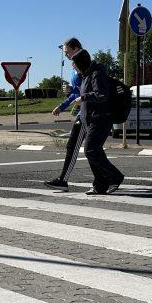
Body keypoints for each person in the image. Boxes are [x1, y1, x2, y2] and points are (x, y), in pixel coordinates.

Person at [73, 49, 124, 195]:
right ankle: (100, 185)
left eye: (75, 64)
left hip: (100, 119)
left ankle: (114, 177)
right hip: (92, 119)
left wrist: (83, 97)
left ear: (81, 63)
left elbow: (101, 95)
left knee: (91, 150)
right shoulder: (88, 75)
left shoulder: (96, 74)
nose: (73, 66)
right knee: (93, 151)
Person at [44, 38, 86, 191]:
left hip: (88, 112)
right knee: (92, 149)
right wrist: (62, 106)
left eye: (68, 52)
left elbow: (87, 89)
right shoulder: (75, 67)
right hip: (85, 111)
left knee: (77, 146)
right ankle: (111, 177)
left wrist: (74, 92)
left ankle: (63, 180)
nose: (66, 55)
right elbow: (77, 91)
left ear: (76, 48)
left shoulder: (84, 65)